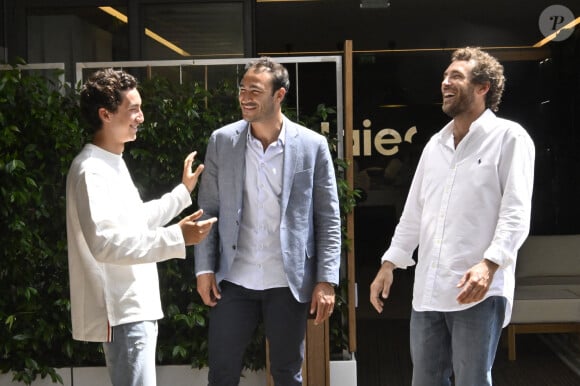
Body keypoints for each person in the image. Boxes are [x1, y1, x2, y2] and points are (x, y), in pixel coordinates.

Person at [370, 47, 535, 386]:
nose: (445, 82)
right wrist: (389, 264)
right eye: (445, 77)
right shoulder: (435, 144)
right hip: (429, 289)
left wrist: (490, 264)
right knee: (426, 381)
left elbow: (516, 211)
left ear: (483, 87)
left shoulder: (509, 137)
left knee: (472, 380)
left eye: (456, 76)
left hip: (477, 289)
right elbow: (414, 212)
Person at [194, 57, 341, 386]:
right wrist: (204, 268)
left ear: (279, 95)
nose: (245, 96)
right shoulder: (222, 141)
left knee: (287, 373)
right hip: (233, 278)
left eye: (255, 91)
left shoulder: (312, 146)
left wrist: (326, 280)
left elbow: (328, 217)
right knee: (222, 372)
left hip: (287, 282)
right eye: (243, 89)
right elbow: (208, 208)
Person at [66, 68, 217, 386]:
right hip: (122, 310)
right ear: (105, 114)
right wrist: (177, 236)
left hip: (132, 308)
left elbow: (132, 222)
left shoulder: (109, 162)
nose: (141, 117)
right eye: (133, 109)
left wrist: (181, 194)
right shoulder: (91, 170)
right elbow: (105, 243)